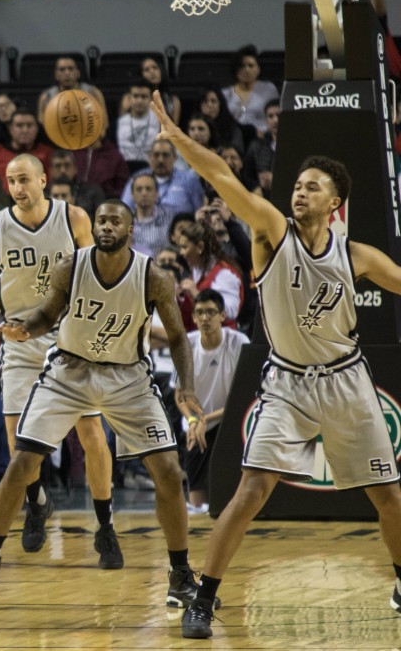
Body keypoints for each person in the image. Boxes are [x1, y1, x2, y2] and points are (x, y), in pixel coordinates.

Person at [150, 92, 401, 639]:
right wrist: (179, 137)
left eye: (313, 185)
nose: (300, 191)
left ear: (336, 202)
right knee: (250, 492)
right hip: (287, 383)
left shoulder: (355, 256)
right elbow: (223, 178)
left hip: (347, 381)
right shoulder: (271, 230)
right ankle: (204, 597)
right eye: (298, 184)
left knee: (389, 497)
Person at [0, 199, 210, 612]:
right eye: (101, 220)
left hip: (127, 376)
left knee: (168, 470)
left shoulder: (153, 276)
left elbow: (180, 338)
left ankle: (180, 574)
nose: (106, 225)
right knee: (23, 463)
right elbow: (46, 315)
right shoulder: (70, 266)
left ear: (131, 230)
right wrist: (25, 329)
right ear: (93, 227)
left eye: (115, 220)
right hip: (69, 372)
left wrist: (186, 387)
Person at [0, 154, 124, 564]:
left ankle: (105, 527)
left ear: (43, 179)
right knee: (18, 441)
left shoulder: (73, 219)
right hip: (18, 336)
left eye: (24, 179)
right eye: (10, 181)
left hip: (67, 335)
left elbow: (97, 273)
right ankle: (36, 500)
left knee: (91, 434)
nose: (17, 187)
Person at [169, 289, 248, 513]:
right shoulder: (186, 345)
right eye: (200, 313)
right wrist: (194, 420)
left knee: (228, 499)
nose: (205, 318)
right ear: (193, 317)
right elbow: (179, 395)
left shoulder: (239, 343)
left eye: (211, 312)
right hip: (197, 425)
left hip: (230, 423)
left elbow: (243, 397)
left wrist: (205, 419)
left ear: (223, 316)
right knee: (198, 504)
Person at [176, 221, 244, 327]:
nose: (181, 253)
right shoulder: (195, 270)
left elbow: (231, 313)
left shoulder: (224, 274)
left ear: (200, 247)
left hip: (224, 340)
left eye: (185, 247)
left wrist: (197, 295)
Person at [121, 139, 205, 217]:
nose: (161, 160)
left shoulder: (189, 179)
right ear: (149, 157)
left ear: (175, 157)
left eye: (165, 155)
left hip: (180, 230)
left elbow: (200, 212)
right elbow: (124, 213)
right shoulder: (136, 179)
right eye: (156, 155)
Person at [0, 108, 54, 189]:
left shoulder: (47, 153)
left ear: (37, 128)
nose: (25, 130)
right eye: (19, 125)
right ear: (10, 129)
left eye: (29, 125)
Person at [221, 45, 280, 136]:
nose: (246, 70)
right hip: (235, 140)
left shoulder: (269, 89)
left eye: (251, 66)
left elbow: (277, 115)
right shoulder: (226, 93)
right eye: (242, 66)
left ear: (258, 69)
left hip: (263, 138)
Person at [129, 174, 173, 259]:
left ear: (156, 194)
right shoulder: (126, 220)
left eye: (148, 189)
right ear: (132, 195)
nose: (144, 193)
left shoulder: (170, 217)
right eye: (139, 189)